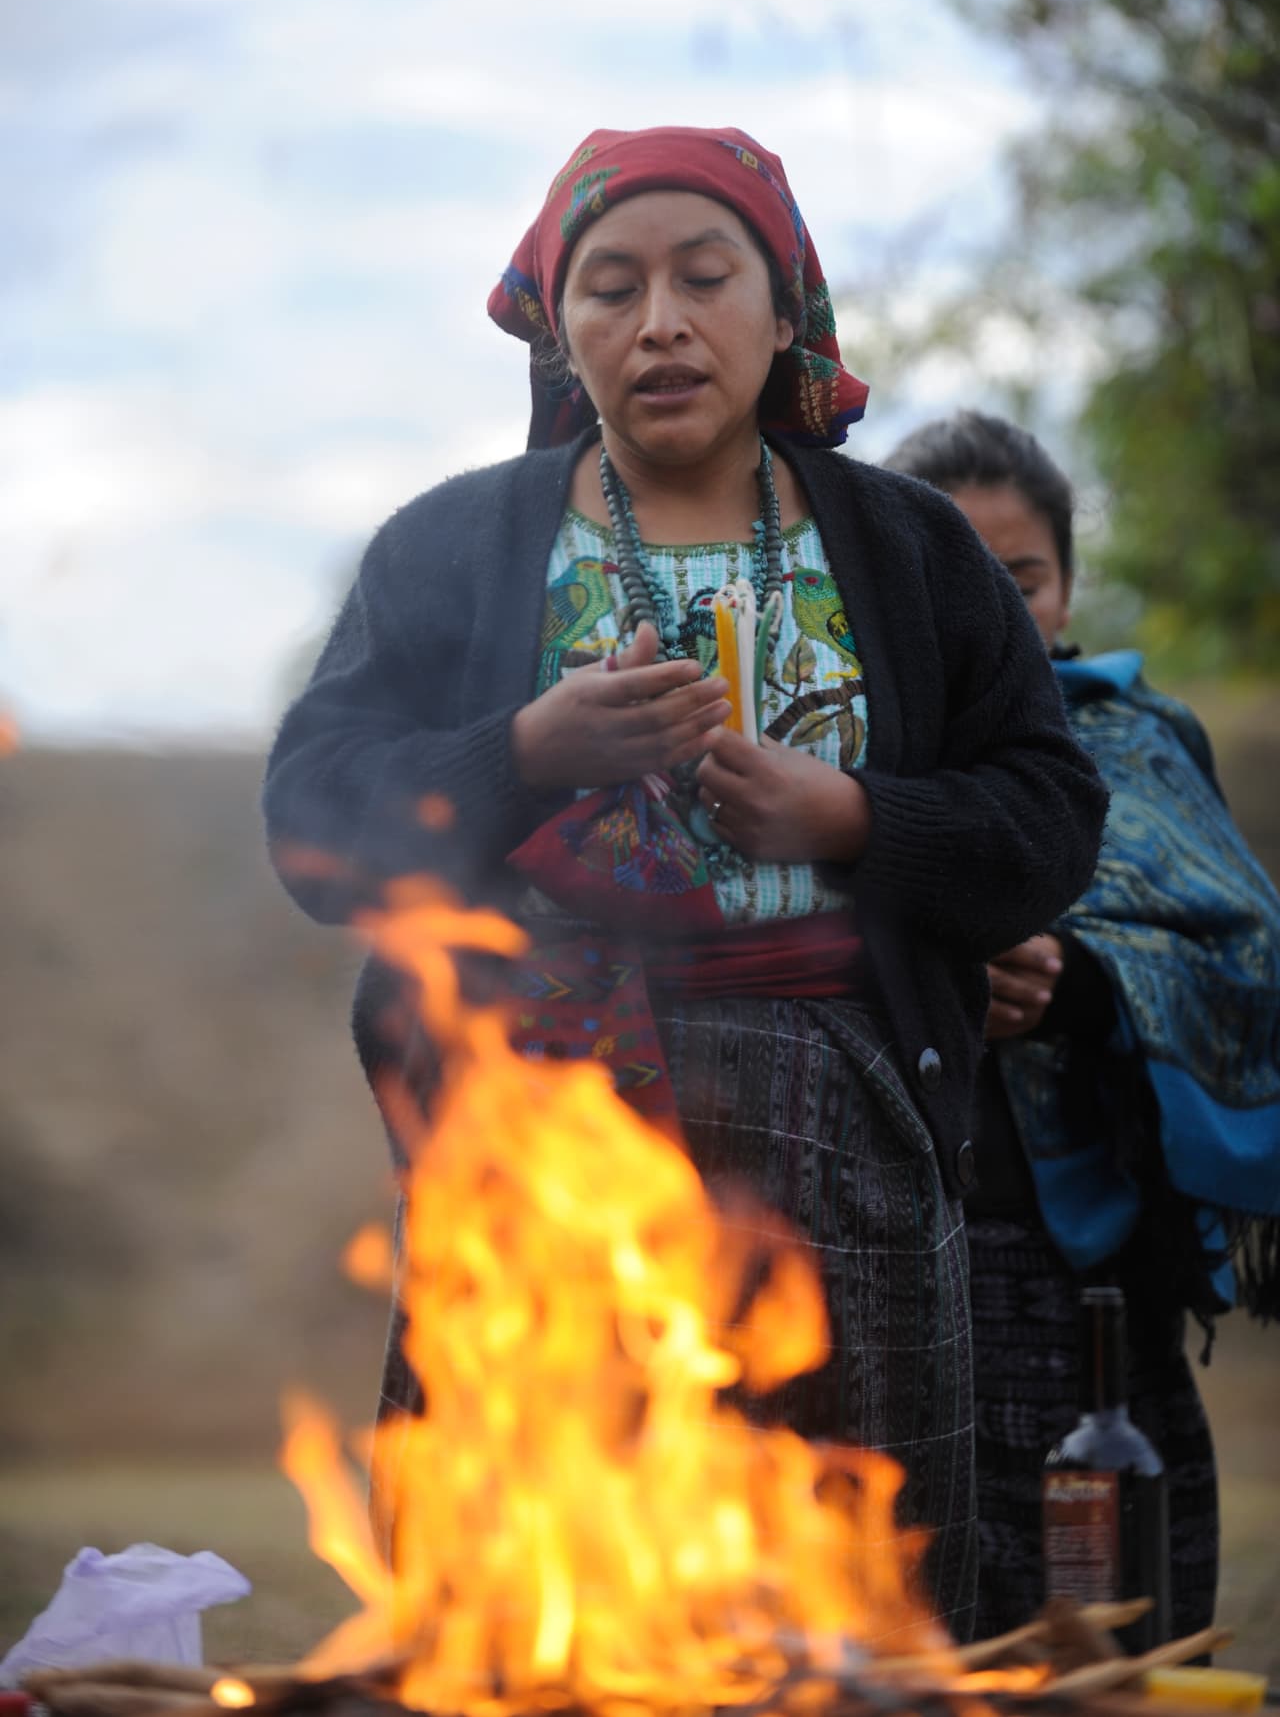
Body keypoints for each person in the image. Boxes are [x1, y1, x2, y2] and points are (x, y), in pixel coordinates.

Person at [263, 127, 1107, 1637]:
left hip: (842, 1134)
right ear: (556, 328)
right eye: (610, 287)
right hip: (540, 1150)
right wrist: (521, 749)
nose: (659, 322)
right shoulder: (454, 550)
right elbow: (313, 821)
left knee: (860, 1600)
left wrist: (856, 816)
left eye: (706, 277)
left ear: (786, 314)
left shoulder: (908, 549)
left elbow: (1051, 816)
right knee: (528, 1599)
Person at [884, 409, 1280, 1640]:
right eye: (949, 580)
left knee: (1123, 1626)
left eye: (1023, 580)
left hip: (1090, 1275)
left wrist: (1087, 983)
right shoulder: (832, 754)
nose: (993, 612)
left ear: (1065, 586)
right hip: (889, 1263)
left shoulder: (1134, 745)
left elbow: (1247, 954)